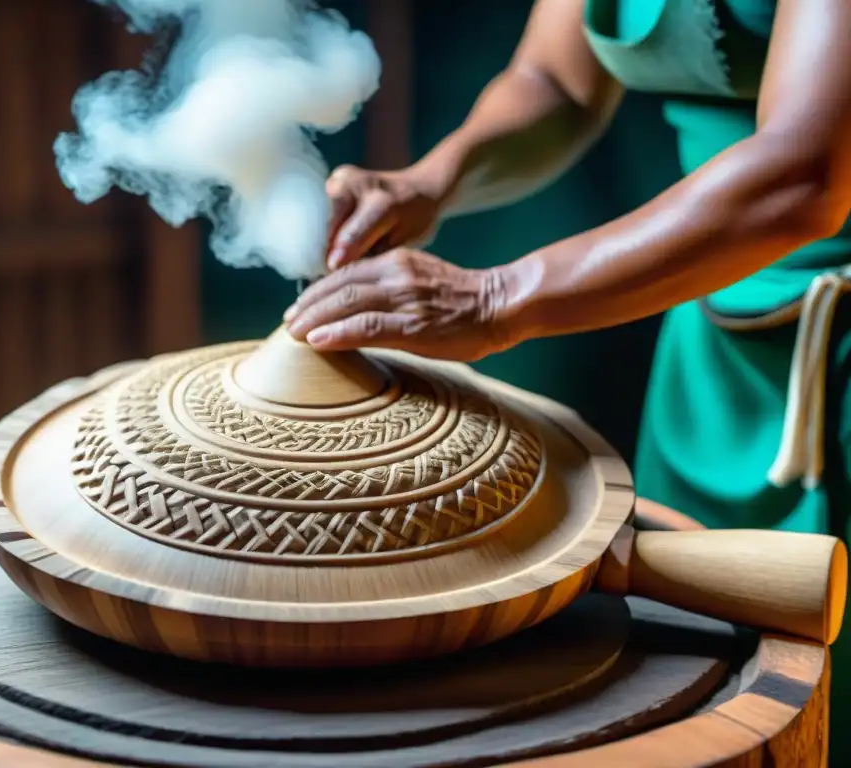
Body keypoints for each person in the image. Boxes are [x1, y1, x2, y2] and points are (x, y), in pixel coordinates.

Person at [285, 0, 851, 758]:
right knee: (701, 668)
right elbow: (555, 81)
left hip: (838, 349)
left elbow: (806, 174)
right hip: (714, 327)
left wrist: (495, 300)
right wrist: (431, 182)